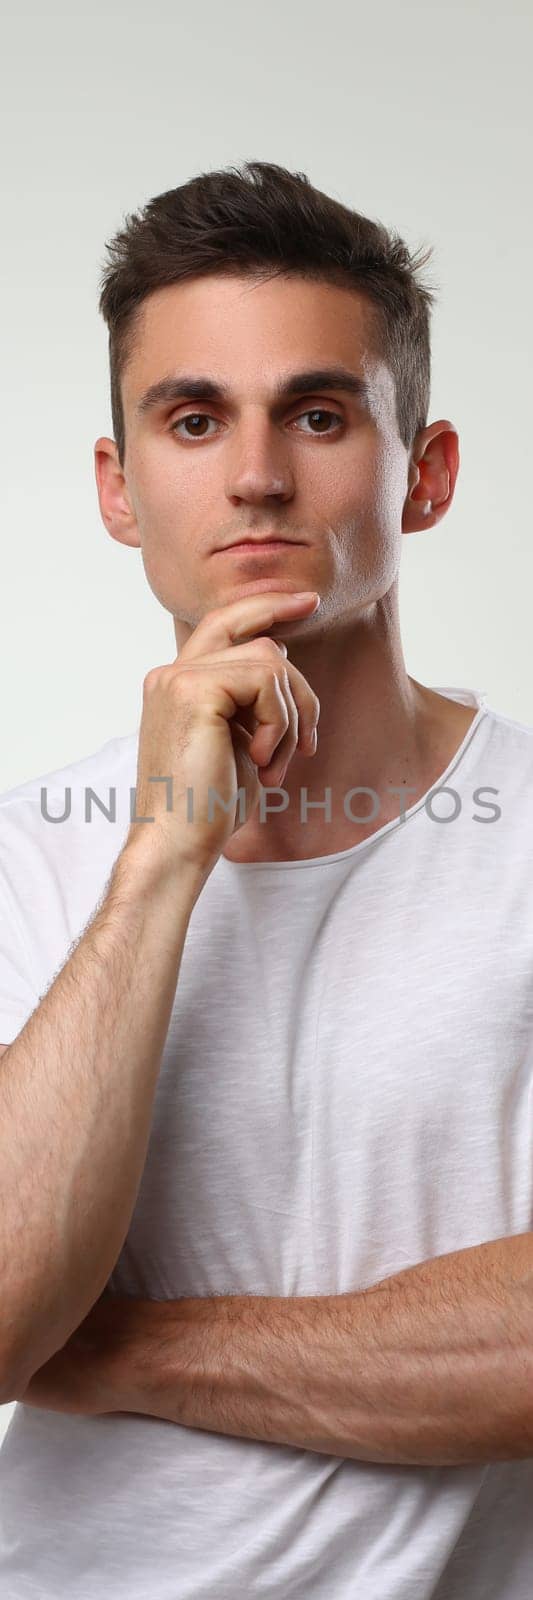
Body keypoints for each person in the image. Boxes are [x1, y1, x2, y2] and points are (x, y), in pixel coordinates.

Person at [1, 159, 533, 1600]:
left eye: (316, 411)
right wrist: (163, 853)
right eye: (191, 419)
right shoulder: (31, 860)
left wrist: (112, 1352)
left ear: (423, 473)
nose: (253, 473)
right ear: (119, 490)